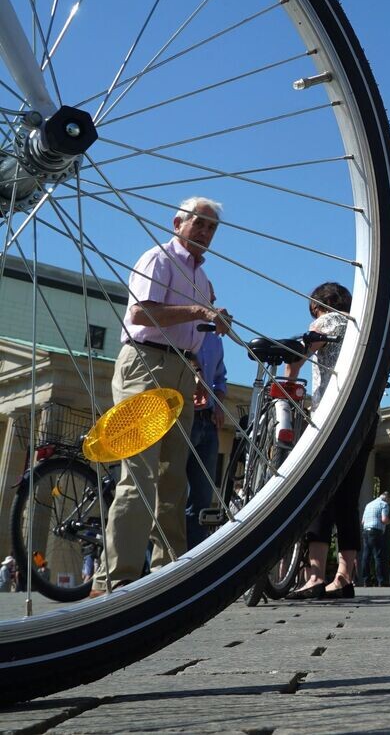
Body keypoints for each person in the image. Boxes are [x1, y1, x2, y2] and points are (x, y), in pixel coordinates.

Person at [92, 197, 232, 595]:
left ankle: (168, 574)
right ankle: (114, 577)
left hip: (182, 368)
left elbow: (191, 333)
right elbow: (140, 313)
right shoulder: (159, 259)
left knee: (174, 478)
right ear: (177, 223)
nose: (205, 232)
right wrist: (200, 312)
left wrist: (198, 372)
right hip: (146, 362)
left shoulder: (202, 276)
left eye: (211, 227)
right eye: (199, 223)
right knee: (140, 471)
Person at [284, 282, 374, 600]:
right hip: (364, 416)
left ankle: (315, 576)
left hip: (331, 416)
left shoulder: (328, 321)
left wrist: (289, 379)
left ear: (322, 305)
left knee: (319, 492)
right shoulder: (363, 325)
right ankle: (345, 578)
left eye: (314, 309)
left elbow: (299, 355)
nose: (314, 316)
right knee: (348, 498)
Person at [184, 329, 227, 550]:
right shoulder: (185, 331)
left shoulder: (215, 340)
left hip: (207, 421)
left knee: (202, 497)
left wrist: (218, 405)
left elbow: (220, 379)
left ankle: (194, 554)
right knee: (171, 491)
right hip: (184, 418)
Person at [360, 492, 390, 586]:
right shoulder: (384, 504)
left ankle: (366, 580)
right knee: (378, 556)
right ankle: (381, 580)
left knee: (366, 556)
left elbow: (363, 521)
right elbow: (384, 519)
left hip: (366, 531)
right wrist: (389, 521)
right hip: (376, 532)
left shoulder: (369, 504)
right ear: (387, 498)